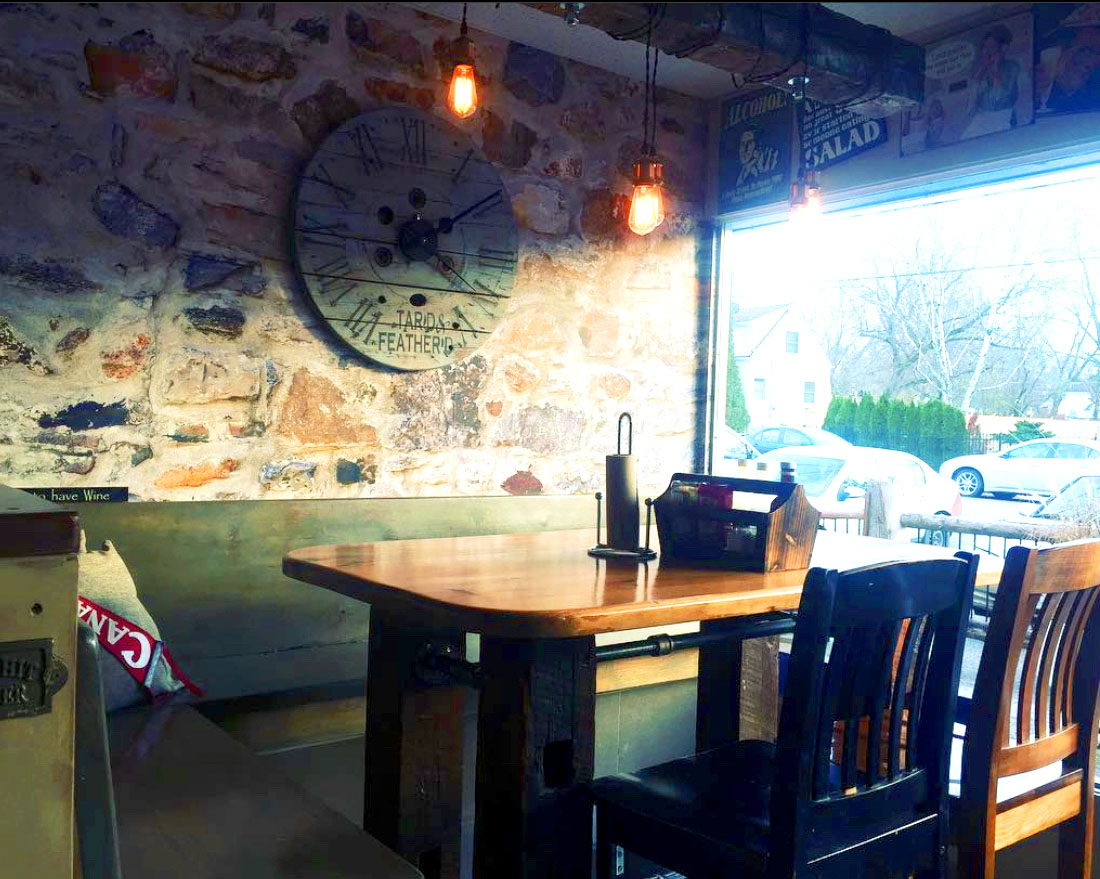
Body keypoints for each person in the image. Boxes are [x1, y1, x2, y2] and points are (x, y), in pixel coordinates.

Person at [961, 24, 1020, 139]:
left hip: (1004, 118)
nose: (987, 53)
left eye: (992, 48)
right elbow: (970, 109)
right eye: (985, 48)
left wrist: (995, 70)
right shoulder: (981, 72)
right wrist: (980, 74)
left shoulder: (1012, 67)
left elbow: (999, 99)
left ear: (1003, 48)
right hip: (982, 121)